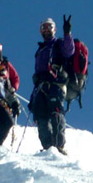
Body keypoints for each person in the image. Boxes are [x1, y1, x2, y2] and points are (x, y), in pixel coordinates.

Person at [30, 16, 75, 154]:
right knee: (41, 117)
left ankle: (58, 146)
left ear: (55, 29)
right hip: (41, 87)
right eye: (44, 27)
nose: (46, 30)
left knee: (56, 113)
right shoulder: (41, 50)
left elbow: (69, 51)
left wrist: (67, 33)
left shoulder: (58, 44)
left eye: (49, 27)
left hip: (56, 84)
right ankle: (48, 147)